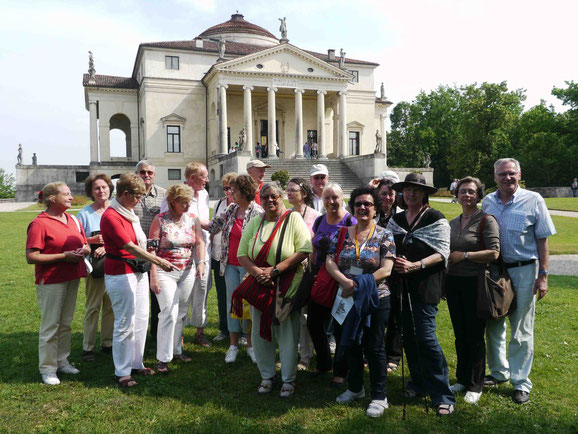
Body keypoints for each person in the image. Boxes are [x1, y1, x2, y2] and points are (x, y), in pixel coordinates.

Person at [482, 158, 556, 404]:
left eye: (511, 173)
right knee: (494, 323)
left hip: (525, 270)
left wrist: (542, 276)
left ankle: (521, 382)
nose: (507, 178)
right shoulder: (488, 201)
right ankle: (498, 372)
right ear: (495, 177)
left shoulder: (533, 199)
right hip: (496, 271)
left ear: (519, 174)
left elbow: (543, 240)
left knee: (521, 329)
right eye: (502, 174)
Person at [234, 182, 312, 397]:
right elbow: (242, 254)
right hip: (260, 286)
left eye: (275, 196)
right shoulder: (255, 222)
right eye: (266, 196)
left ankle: (288, 379)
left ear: (281, 198)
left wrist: (275, 270)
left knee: (287, 334)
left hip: (286, 286)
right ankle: (267, 375)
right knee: (261, 332)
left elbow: (305, 249)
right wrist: (259, 273)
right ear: (261, 199)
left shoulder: (293, 218)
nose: (270, 200)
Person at [101, 173, 177, 387]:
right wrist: (158, 261)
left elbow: (139, 242)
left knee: (142, 318)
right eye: (137, 196)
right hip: (120, 272)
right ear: (125, 194)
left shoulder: (129, 212)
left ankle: (136, 362)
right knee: (126, 322)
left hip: (138, 272)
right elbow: (130, 247)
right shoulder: (111, 216)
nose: (140, 200)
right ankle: (122, 372)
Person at [388, 172, 456, 416]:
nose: (411, 193)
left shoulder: (435, 218)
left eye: (416, 189)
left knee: (426, 337)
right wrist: (394, 261)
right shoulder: (396, 219)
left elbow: (442, 253)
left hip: (426, 285)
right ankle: (418, 382)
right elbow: (386, 247)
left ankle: (442, 394)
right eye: (407, 189)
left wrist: (416, 265)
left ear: (425, 193)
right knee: (408, 336)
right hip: (400, 286)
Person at [327, 186, 396, 417]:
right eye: (358, 204)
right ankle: (355, 388)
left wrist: (357, 285)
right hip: (345, 298)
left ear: (375, 208)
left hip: (375, 299)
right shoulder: (341, 233)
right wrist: (344, 282)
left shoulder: (385, 235)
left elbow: (386, 269)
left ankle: (379, 396)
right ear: (352, 207)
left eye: (367, 204)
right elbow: (330, 262)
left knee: (374, 347)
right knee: (350, 345)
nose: (363, 208)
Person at [26, 182, 90, 385]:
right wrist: (63, 256)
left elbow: (85, 243)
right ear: (52, 198)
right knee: (51, 325)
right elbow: (31, 257)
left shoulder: (72, 219)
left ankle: (62, 361)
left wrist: (85, 250)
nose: (71, 197)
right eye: (66, 194)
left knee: (65, 323)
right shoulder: (39, 223)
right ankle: (47, 368)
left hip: (72, 276)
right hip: (52, 279)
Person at [446, 177, 500, 404]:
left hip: (475, 283)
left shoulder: (486, 220)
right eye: (462, 191)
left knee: (474, 335)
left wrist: (465, 255)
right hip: (453, 282)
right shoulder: (452, 222)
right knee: (460, 334)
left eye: (471, 191)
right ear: (456, 195)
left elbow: (494, 252)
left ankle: (476, 384)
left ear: (478, 196)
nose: (466, 195)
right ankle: (461, 378)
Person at [149, 184, 206, 373]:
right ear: (172, 202)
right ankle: (163, 358)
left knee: (181, 311)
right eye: (184, 202)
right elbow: (151, 250)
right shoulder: (160, 220)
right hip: (165, 271)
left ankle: (176, 349)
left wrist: (201, 262)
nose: (188, 206)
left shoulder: (192, 219)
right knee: (168, 312)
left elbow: (199, 241)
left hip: (187, 271)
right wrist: (154, 274)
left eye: (189, 202)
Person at [207, 175, 264, 363]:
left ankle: (250, 346)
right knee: (233, 304)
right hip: (229, 265)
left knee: (248, 306)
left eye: (234, 190)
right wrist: (190, 218)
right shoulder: (231, 209)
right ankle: (232, 346)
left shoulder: (258, 212)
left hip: (249, 267)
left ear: (244, 192)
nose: (231, 193)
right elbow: (214, 225)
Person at [307, 183, 356, 386]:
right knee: (314, 324)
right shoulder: (320, 220)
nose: (331, 202)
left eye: (335, 197)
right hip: (321, 278)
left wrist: (348, 281)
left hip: (341, 280)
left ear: (342, 198)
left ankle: (341, 370)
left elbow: (356, 251)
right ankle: (324, 362)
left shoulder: (349, 220)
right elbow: (314, 245)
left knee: (339, 326)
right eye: (327, 198)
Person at [162, 161, 213, 347]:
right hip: (180, 254)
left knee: (202, 292)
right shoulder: (174, 194)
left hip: (203, 251)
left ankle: (200, 331)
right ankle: (178, 334)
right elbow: (166, 221)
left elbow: (203, 220)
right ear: (192, 178)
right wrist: (201, 224)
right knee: (180, 297)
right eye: (204, 176)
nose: (207, 180)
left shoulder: (205, 194)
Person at [77, 173, 114, 362]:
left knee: (110, 307)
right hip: (95, 267)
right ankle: (88, 347)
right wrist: (92, 241)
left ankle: (108, 343)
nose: (101, 191)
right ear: (91, 192)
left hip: (116, 265)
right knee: (93, 307)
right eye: (97, 188)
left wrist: (106, 246)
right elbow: (77, 240)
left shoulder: (117, 210)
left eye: (104, 187)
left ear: (110, 188)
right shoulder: (84, 213)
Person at [286, 177, 322, 370]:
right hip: (288, 270)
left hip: (308, 271)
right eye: (288, 190)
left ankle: (306, 356)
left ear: (304, 194)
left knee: (305, 316)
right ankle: (290, 352)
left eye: (293, 190)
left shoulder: (316, 217)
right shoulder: (286, 215)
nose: (288, 193)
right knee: (290, 314)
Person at [133, 160, 166, 343]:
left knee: (157, 295)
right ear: (137, 173)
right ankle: (137, 335)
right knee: (136, 297)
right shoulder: (128, 194)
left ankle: (156, 334)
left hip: (156, 253)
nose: (146, 175)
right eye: (143, 172)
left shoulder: (163, 194)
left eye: (150, 173)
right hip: (134, 252)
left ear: (154, 175)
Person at [373, 176, 403, 374]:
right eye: (383, 193)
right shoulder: (372, 214)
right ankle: (374, 351)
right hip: (375, 270)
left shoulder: (402, 215)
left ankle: (393, 355)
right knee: (375, 312)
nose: (387, 197)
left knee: (395, 315)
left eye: (390, 194)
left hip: (397, 270)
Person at [211, 173, 237, 342]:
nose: (228, 192)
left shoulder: (242, 206)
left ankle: (240, 331)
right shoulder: (220, 203)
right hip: (217, 254)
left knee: (235, 295)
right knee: (221, 294)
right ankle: (224, 329)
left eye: (231, 188)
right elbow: (214, 225)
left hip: (233, 256)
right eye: (225, 188)